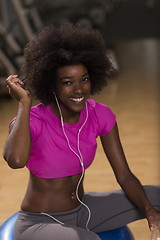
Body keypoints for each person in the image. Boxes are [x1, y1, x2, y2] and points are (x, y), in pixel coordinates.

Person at [3, 24, 160, 240]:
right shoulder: (34, 120)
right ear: (51, 85)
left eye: (84, 79)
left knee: (157, 196)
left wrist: (149, 209)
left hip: (84, 211)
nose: (79, 89)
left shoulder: (99, 114)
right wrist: (24, 103)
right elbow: (16, 160)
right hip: (39, 222)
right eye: (67, 83)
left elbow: (124, 175)